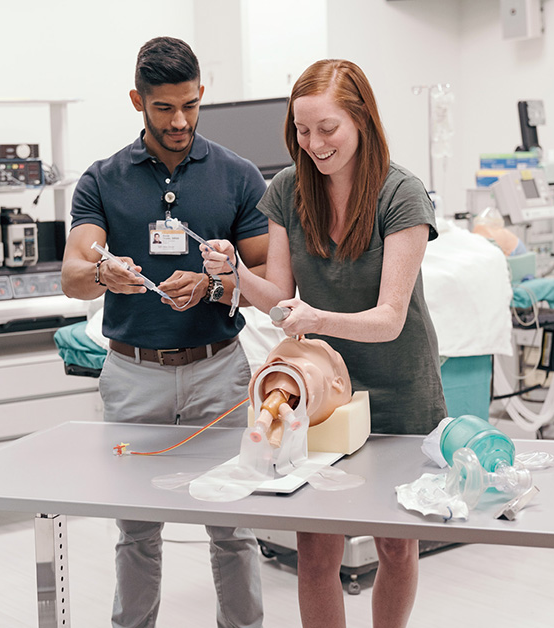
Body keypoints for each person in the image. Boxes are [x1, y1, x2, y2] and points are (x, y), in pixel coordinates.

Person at [201, 59, 447, 628]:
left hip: (399, 390)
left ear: (362, 120)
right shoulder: (287, 189)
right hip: (321, 391)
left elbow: (389, 320)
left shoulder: (401, 194)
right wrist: (235, 275)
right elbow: (281, 298)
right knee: (316, 552)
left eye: (327, 128)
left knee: (394, 544)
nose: (313, 143)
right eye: (301, 130)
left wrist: (315, 316)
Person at [61, 36, 268, 628]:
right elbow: (74, 276)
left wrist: (219, 281)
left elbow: (271, 282)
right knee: (136, 530)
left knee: (233, 527)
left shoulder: (238, 175)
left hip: (220, 372)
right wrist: (102, 271)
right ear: (137, 101)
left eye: (190, 105)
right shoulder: (103, 179)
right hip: (132, 376)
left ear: (202, 95)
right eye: (163, 109)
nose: (179, 121)